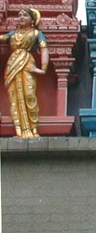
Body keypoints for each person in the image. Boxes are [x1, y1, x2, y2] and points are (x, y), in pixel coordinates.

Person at [0, 8, 49, 138]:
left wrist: (42, 69)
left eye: (25, 15)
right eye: (19, 15)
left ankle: (33, 129)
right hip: (12, 66)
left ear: (32, 20)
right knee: (14, 98)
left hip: (27, 64)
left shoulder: (36, 34)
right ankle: (19, 130)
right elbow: (2, 38)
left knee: (29, 95)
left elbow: (44, 49)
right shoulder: (13, 34)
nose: (21, 17)